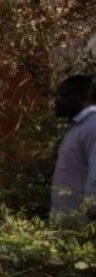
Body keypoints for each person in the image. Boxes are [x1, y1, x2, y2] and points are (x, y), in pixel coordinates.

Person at [51, 74, 96, 225]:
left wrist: (91, 213)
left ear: (82, 98)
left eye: (63, 95)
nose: (56, 100)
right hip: (68, 224)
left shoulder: (92, 126)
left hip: (83, 226)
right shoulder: (79, 127)